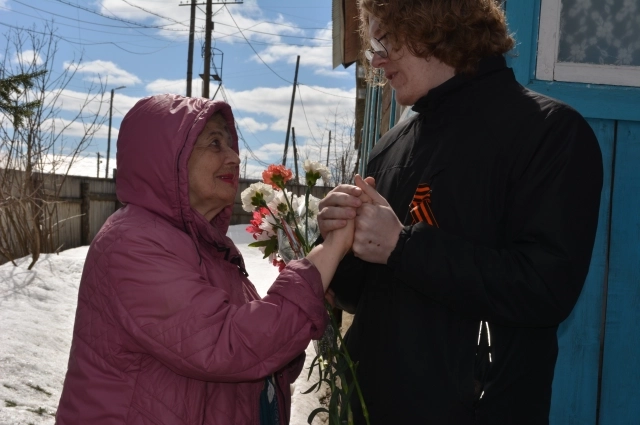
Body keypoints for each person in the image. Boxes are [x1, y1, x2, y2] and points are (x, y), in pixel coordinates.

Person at [318, 0, 603, 424]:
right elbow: (365, 296)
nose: (375, 61)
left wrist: (402, 245)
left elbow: (545, 288)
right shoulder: (389, 147)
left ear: (432, 27)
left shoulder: (549, 132)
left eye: (383, 41)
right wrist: (338, 244)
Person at [55, 94, 353, 425]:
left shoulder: (207, 247)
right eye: (215, 143)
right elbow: (229, 347)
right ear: (168, 159)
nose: (234, 158)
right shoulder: (132, 244)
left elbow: (261, 359)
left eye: (230, 144)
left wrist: (299, 309)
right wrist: (322, 259)